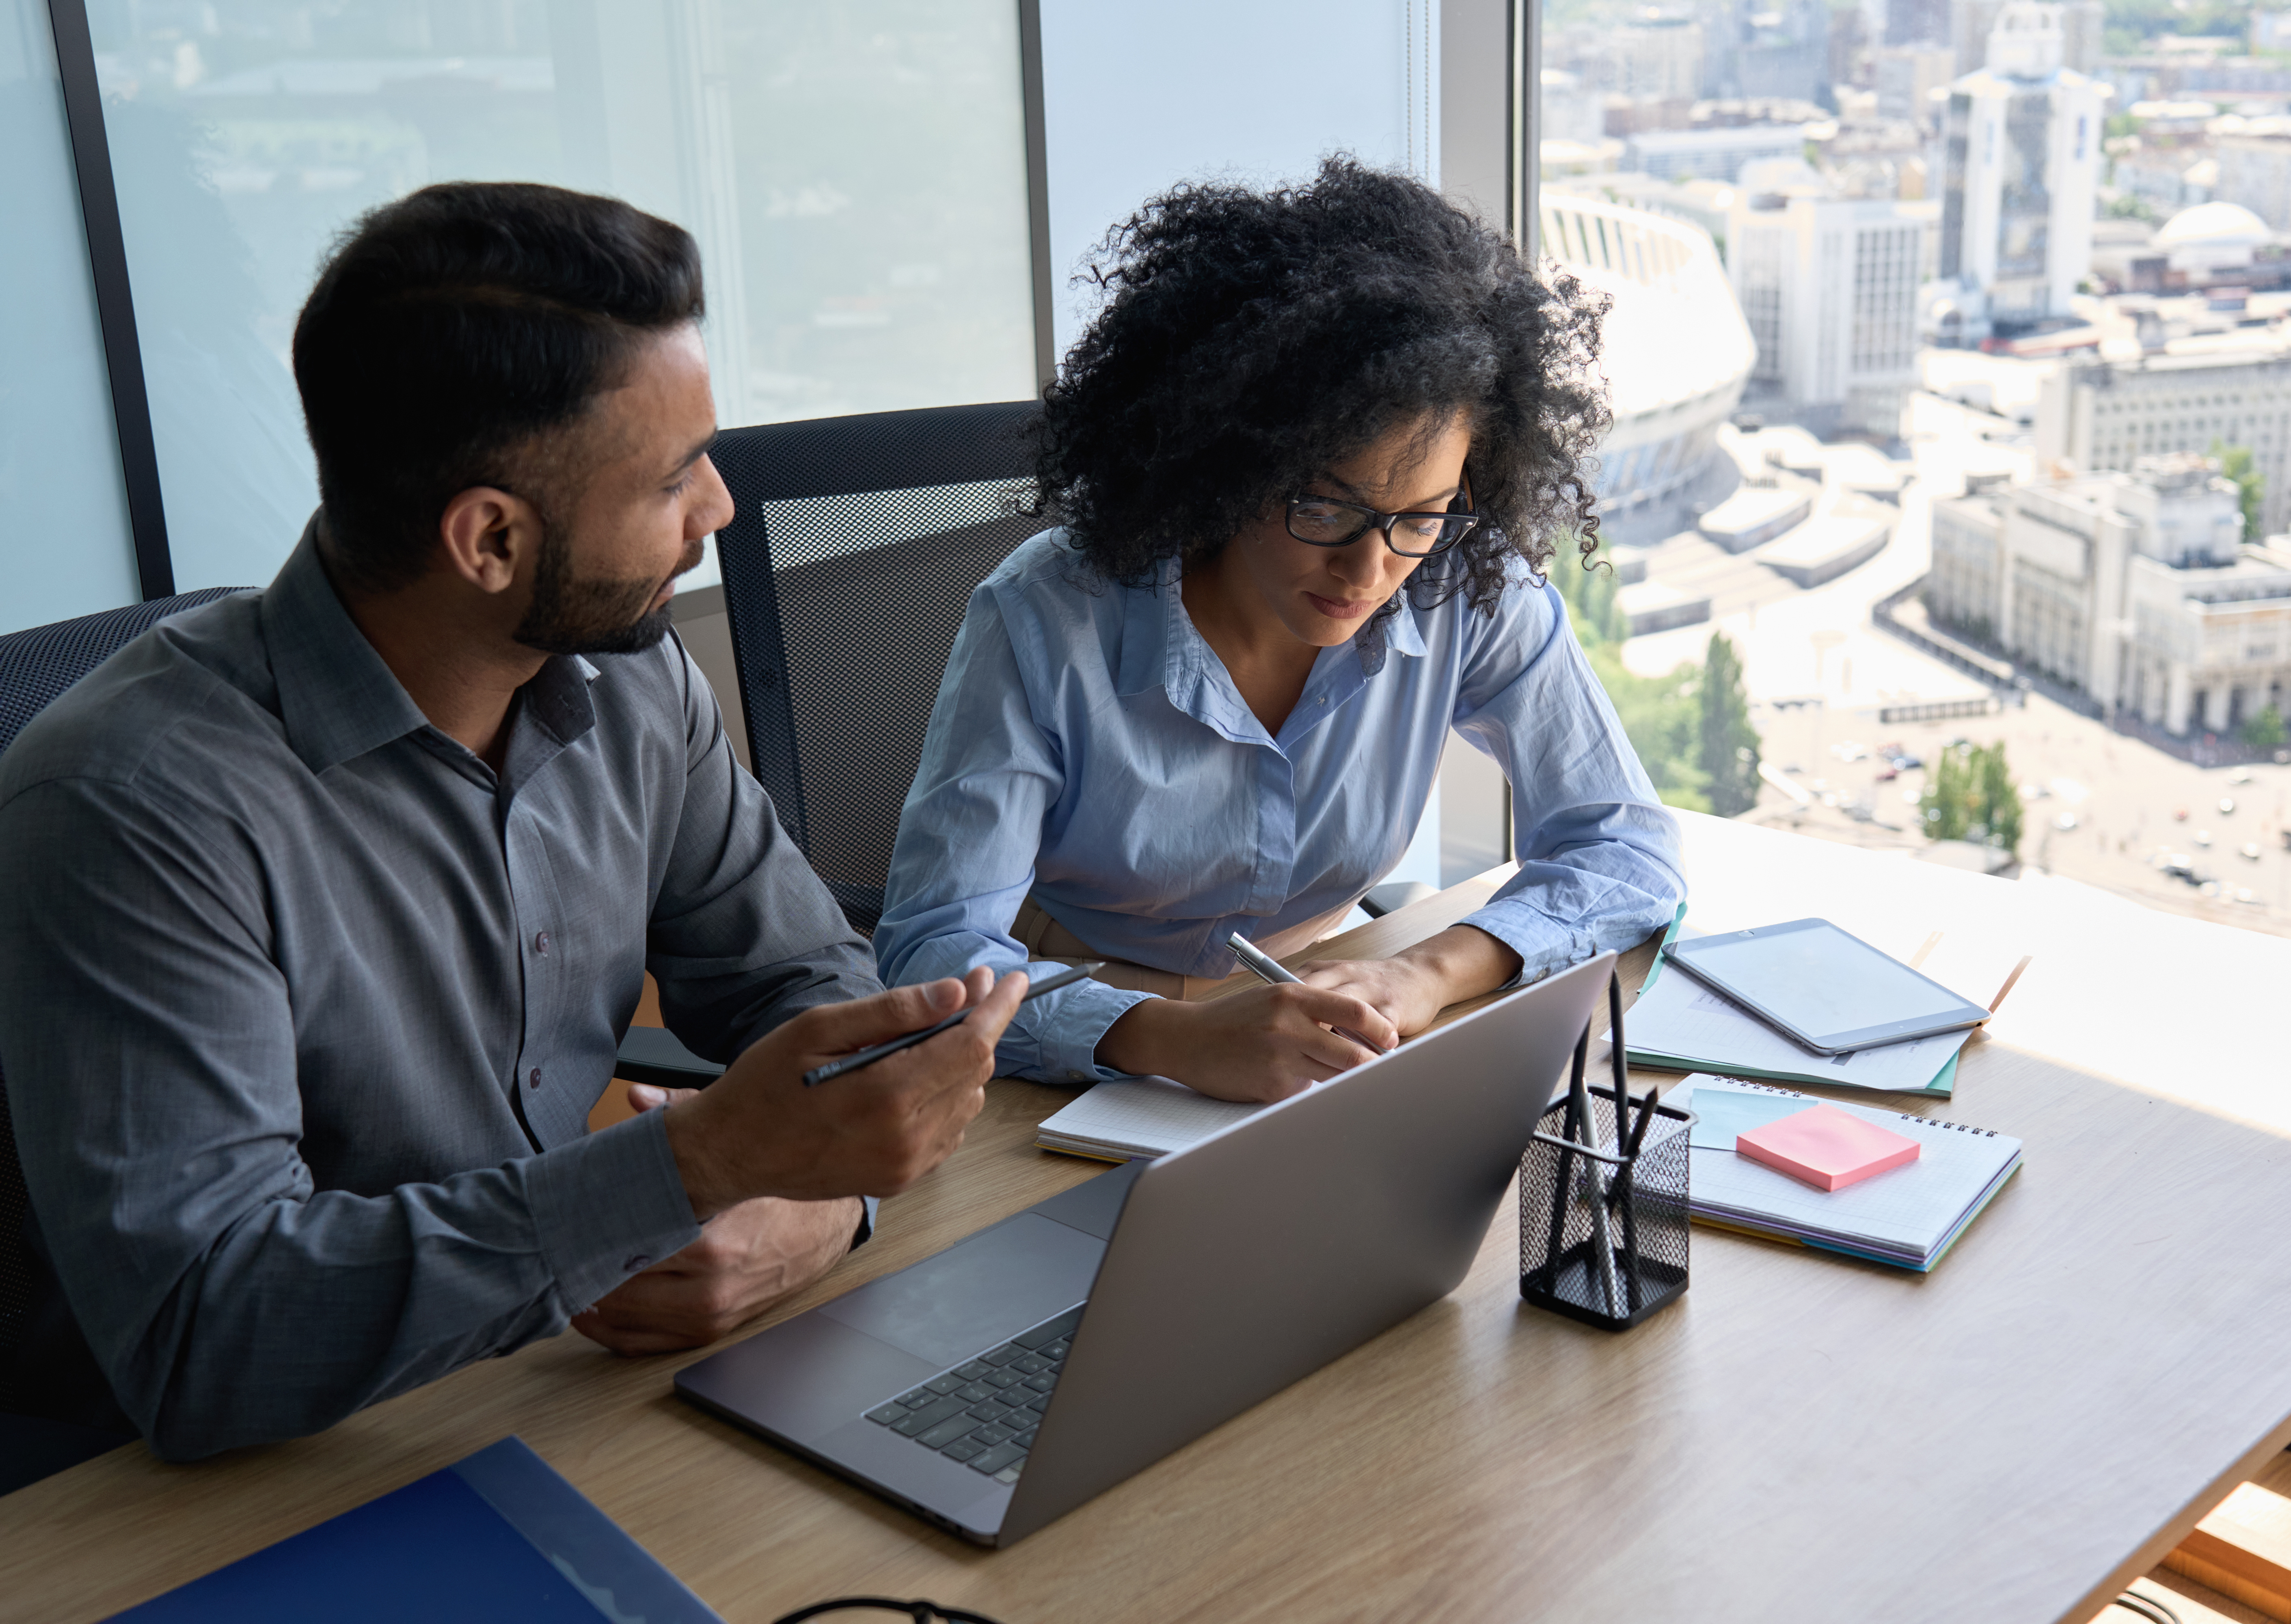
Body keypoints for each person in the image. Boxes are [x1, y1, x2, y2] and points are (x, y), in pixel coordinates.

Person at [0, 183, 1025, 1461]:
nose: (719, 510)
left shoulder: (629, 675)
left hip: (546, 1386)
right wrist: (687, 1174)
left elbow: (804, 984)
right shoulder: (128, 807)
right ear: (490, 538)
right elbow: (205, 1336)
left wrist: (821, 1210)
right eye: (672, 479)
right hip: (217, 1492)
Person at [875, 161, 1684, 1104]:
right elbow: (934, 954)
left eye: (1421, 517)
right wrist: (1175, 1038)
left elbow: (1626, 850)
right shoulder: (1046, 618)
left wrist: (1423, 972)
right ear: (1232, 461)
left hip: (1333, 1001)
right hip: (1077, 1036)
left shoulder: (1463, 579)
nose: (1369, 569)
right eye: (1326, 507)